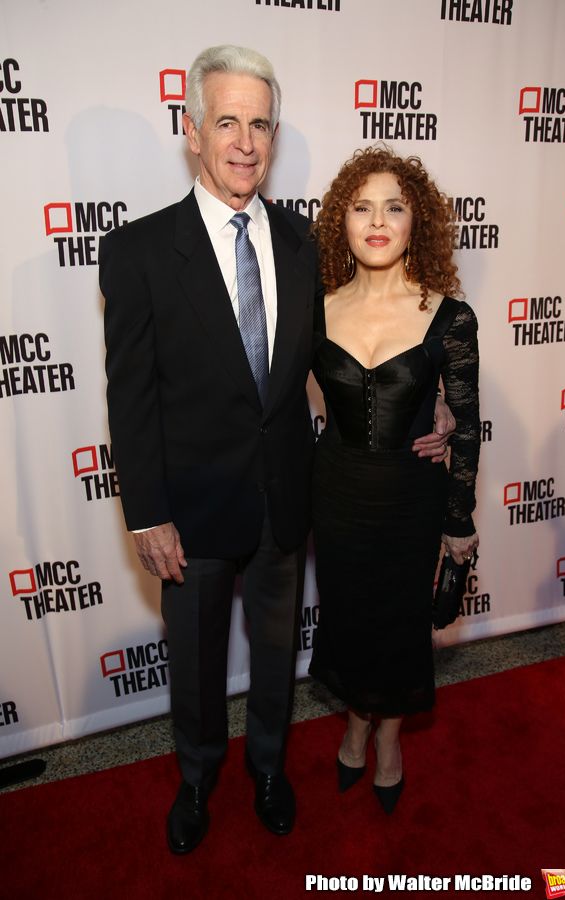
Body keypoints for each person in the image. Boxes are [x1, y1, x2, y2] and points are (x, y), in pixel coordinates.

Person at [100, 47, 453, 853]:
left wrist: (427, 402)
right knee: (194, 663)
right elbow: (131, 396)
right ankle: (196, 780)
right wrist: (146, 513)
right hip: (189, 510)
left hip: (288, 498)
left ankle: (267, 768)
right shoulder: (139, 251)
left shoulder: (306, 244)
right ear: (193, 131)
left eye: (259, 124)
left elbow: (357, 343)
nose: (245, 141)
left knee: (274, 656)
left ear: (274, 135)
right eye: (227, 121)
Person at [309, 146, 480, 814]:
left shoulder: (450, 318)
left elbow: (465, 426)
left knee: (401, 620)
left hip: (413, 495)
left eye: (394, 207)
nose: (377, 221)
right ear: (342, 222)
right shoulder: (315, 309)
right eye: (362, 207)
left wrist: (459, 524)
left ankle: (387, 739)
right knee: (350, 615)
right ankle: (357, 721)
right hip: (337, 492)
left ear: (418, 222)